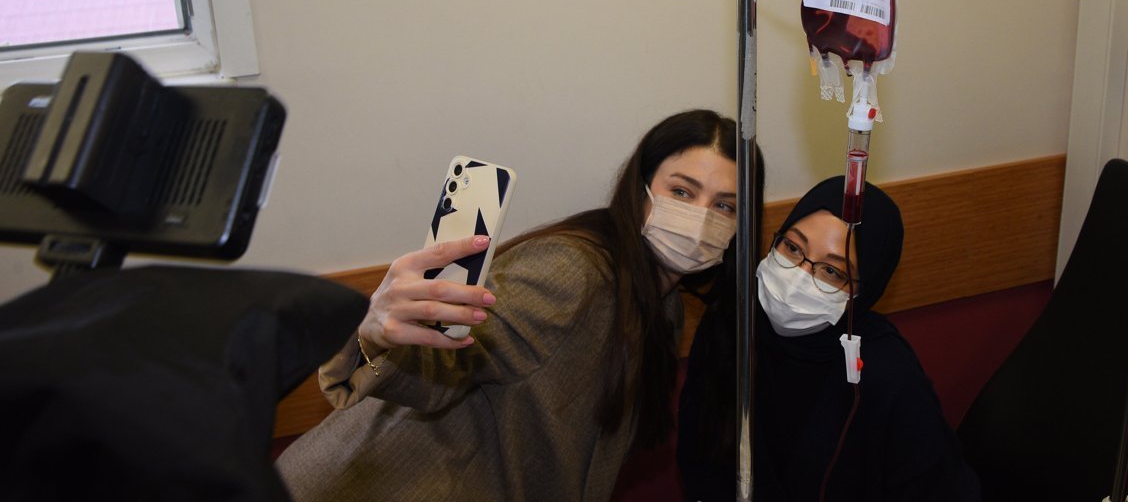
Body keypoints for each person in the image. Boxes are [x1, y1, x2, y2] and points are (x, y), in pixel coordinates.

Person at [276, 109, 763, 502]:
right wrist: (376, 333)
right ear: (640, 191)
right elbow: (447, 355)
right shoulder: (572, 273)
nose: (700, 218)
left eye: (725, 205)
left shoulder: (665, 305)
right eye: (681, 191)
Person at [677, 176, 979, 501]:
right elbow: (699, 455)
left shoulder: (889, 373)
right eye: (793, 248)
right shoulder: (731, 323)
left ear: (864, 293)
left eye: (832, 272)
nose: (798, 277)